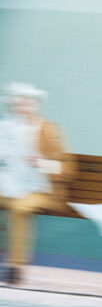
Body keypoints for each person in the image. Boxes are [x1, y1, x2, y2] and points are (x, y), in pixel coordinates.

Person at [0, 83, 74, 284]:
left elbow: (67, 169)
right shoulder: (3, 127)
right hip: (7, 187)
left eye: (26, 103)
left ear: (34, 105)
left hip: (39, 190)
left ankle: (15, 267)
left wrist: (41, 162)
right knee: (15, 203)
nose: (21, 108)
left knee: (19, 208)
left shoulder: (47, 130)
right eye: (17, 103)